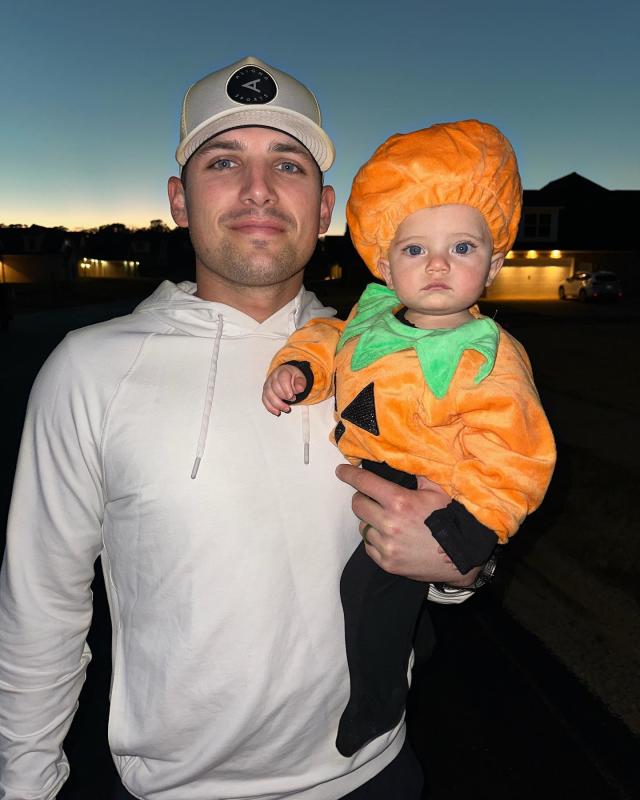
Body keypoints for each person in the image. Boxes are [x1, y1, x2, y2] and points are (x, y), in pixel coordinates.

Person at [0, 57, 482, 800]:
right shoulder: (89, 370)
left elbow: (455, 544)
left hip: (374, 776)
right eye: (224, 161)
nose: (257, 189)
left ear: (324, 209)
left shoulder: (393, 361)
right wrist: (25, 785)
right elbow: (41, 604)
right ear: (179, 201)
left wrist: (464, 563)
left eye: (285, 164)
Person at [263, 120, 556, 756]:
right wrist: (299, 370)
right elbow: (325, 341)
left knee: (364, 587)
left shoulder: (486, 355)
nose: (439, 265)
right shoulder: (368, 316)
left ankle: (377, 702)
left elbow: (519, 453)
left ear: (496, 261)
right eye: (416, 250)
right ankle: (407, 637)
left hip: (434, 493)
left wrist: (471, 529)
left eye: (463, 247)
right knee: (373, 594)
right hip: (378, 470)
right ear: (386, 262)